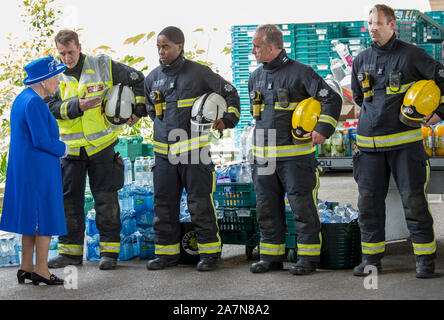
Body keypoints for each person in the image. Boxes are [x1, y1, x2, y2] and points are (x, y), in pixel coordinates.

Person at [351, 4, 444, 279]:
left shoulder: (412, 55)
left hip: (405, 146)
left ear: (393, 25)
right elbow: (359, 98)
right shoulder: (361, 59)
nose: (373, 28)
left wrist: (439, 112)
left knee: (413, 202)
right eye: (370, 23)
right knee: (368, 204)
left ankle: (425, 259)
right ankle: (372, 259)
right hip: (368, 148)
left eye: (378, 23)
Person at [45, 29, 147, 270]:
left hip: (102, 147)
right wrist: (76, 106)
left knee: (106, 201)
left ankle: (109, 254)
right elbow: (49, 105)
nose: (67, 58)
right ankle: (69, 254)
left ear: (79, 47)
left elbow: (138, 80)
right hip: (70, 150)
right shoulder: (54, 73)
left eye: (70, 52)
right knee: (69, 203)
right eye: (62, 54)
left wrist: (137, 111)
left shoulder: (102, 65)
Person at [144, 26, 240, 272]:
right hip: (163, 157)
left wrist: (227, 119)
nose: (161, 52)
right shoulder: (152, 77)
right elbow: (149, 110)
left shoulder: (199, 73)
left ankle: (209, 254)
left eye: (166, 47)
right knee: (163, 205)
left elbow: (230, 93)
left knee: (200, 204)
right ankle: (166, 255)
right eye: (159, 47)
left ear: (180, 46)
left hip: (195, 154)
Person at [248, 24, 342, 275]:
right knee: (266, 208)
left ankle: (308, 259)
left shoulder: (301, 72)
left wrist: (323, 129)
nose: (253, 50)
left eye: (257, 46)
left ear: (271, 47)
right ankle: (271, 257)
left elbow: (331, 99)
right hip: (264, 159)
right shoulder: (255, 77)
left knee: (302, 208)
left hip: (295, 158)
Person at [0, 56, 68, 285]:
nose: (58, 80)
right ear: (42, 81)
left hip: (25, 167)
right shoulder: (35, 102)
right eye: (54, 76)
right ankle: (41, 269)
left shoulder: (22, 99)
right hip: (39, 168)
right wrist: (63, 148)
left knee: (31, 217)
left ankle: (26, 266)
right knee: (44, 217)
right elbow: (41, 139)